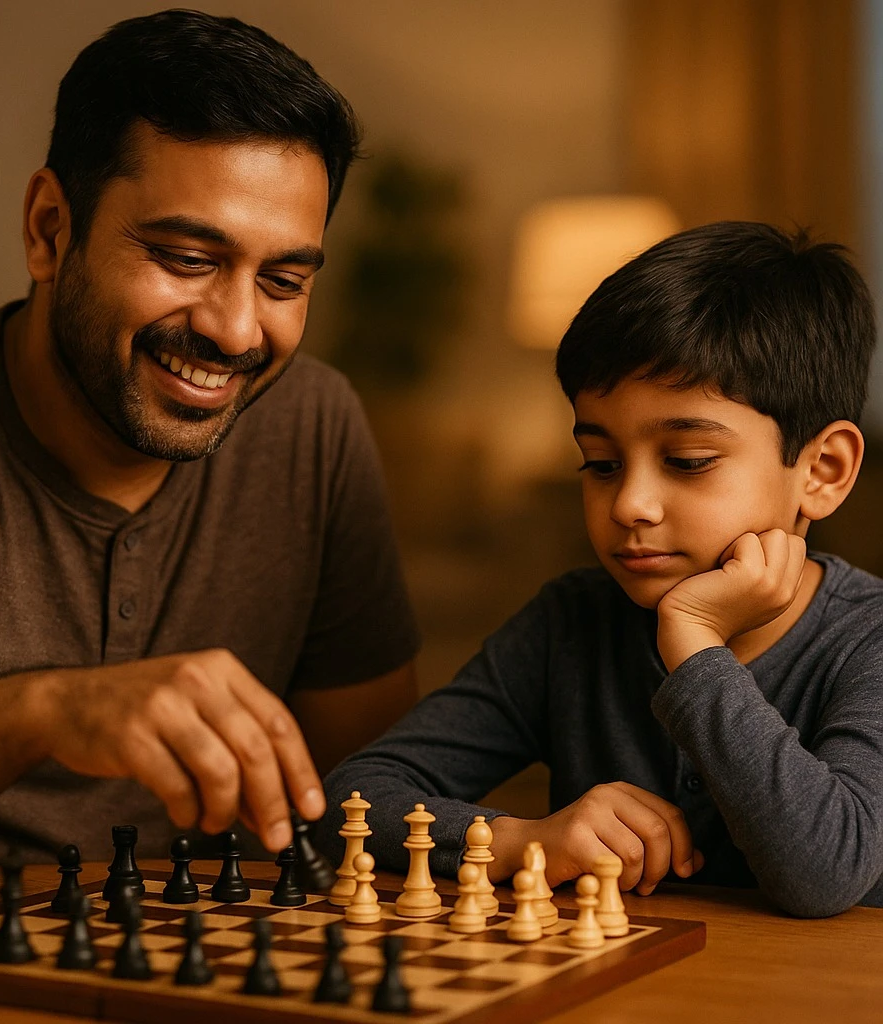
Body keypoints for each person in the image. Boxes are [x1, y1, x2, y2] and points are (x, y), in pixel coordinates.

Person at [0, 10, 420, 874]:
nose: (236, 331)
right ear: (50, 228)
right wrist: (45, 712)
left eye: (282, 280)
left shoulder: (313, 423)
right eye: (186, 257)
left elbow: (375, 794)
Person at [320, 221, 883, 918]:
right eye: (601, 463)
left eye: (687, 462)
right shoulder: (569, 624)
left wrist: (696, 644)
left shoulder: (869, 642)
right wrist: (522, 839)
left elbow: (826, 873)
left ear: (823, 471)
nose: (630, 503)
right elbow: (353, 798)